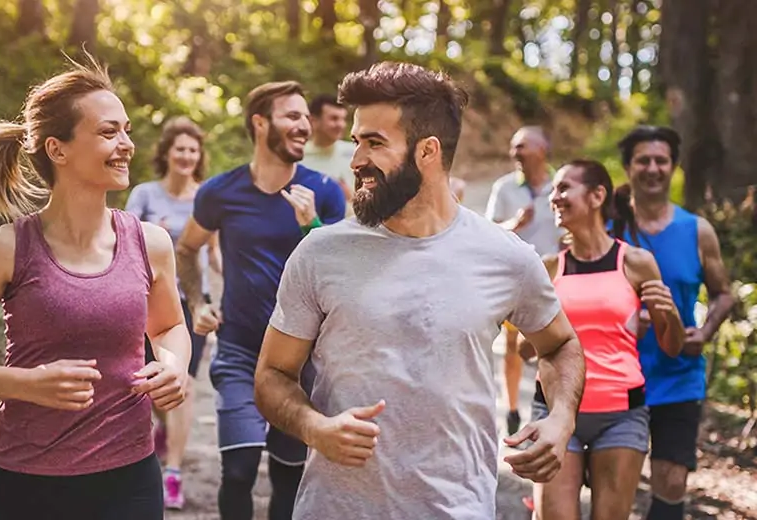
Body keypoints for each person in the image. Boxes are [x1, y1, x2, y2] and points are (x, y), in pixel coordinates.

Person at [253, 61, 586, 520]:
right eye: (356, 141)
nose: (355, 161)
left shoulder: (505, 256)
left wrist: (561, 418)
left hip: (456, 508)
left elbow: (562, 345)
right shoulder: (320, 253)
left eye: (374, 143)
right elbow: (272, 374)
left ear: (427, 151)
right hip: (335, 509)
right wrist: (315, 427)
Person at [0, 54, 191, 520]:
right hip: (27, 484)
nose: (127, 144)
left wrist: (173, 366)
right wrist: (28, 384)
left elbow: (168, 328)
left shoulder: (151, 244)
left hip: (130, 478)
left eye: (126, 130)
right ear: (57, 149)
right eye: (109, 132)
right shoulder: (7, 248)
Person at [175, 81, 346, 520]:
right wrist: (197, 302)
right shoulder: (219, 191)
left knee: (289, 474)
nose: (304, 126)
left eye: (307, 117)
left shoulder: (324, 192)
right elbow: (186, 249)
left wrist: (311, 226)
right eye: (293, 116)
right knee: (238, 469)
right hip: (238, 349)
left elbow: (341, 273)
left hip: (300, 359)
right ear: (259, 122)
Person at [520, 159, 684, 520]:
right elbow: (526, 350)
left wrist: (668, 312)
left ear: (597, 196)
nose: (554, 197)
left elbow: (672, 346)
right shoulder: (548, 268)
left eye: (564, 188)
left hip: (621, 415)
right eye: (553, 190)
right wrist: (529, 321)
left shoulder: (636, 262)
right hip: (554, 410)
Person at [613, 126, 734, 520]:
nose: (652, 168)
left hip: (678, 374)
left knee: (671, 483)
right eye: (643, 160)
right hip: (616, 376)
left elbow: (724, 293)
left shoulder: (697, 230)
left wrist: (707, 329)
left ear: (674, 167)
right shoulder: (606, 232)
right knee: (615, 487)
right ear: (628, 168)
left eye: (661, 160)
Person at [124, 116, 221, 510]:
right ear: (166, 153)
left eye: (193, 150)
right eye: (179, 148)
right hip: (144, 303)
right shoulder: (145, 195)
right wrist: (153, 232)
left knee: (180, 386)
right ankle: (161, 434)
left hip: (191, 305)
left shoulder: (207, 200)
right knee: (148, 385)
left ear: (199, 157)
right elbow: (123, 241)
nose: (186, 155)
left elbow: (216, 253)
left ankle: (174, 473)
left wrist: (228, 297)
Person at [485, 126, 563, 436]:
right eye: (513, 147)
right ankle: (513, 409)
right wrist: (514, 224)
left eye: (521, 147)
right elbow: (487, 233)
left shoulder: (562, 186)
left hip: (556, 280)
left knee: (553, 346)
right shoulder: (503, 189)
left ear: (542, 150)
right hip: (514, 282)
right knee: (513, 347)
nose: (514, 153)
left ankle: (554, 408)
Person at [300, 94, 356, 202]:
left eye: (343, 119)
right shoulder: (298, 157)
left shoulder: (354, 152)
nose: (341, 125)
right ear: (313, 121)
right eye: (334, 119)